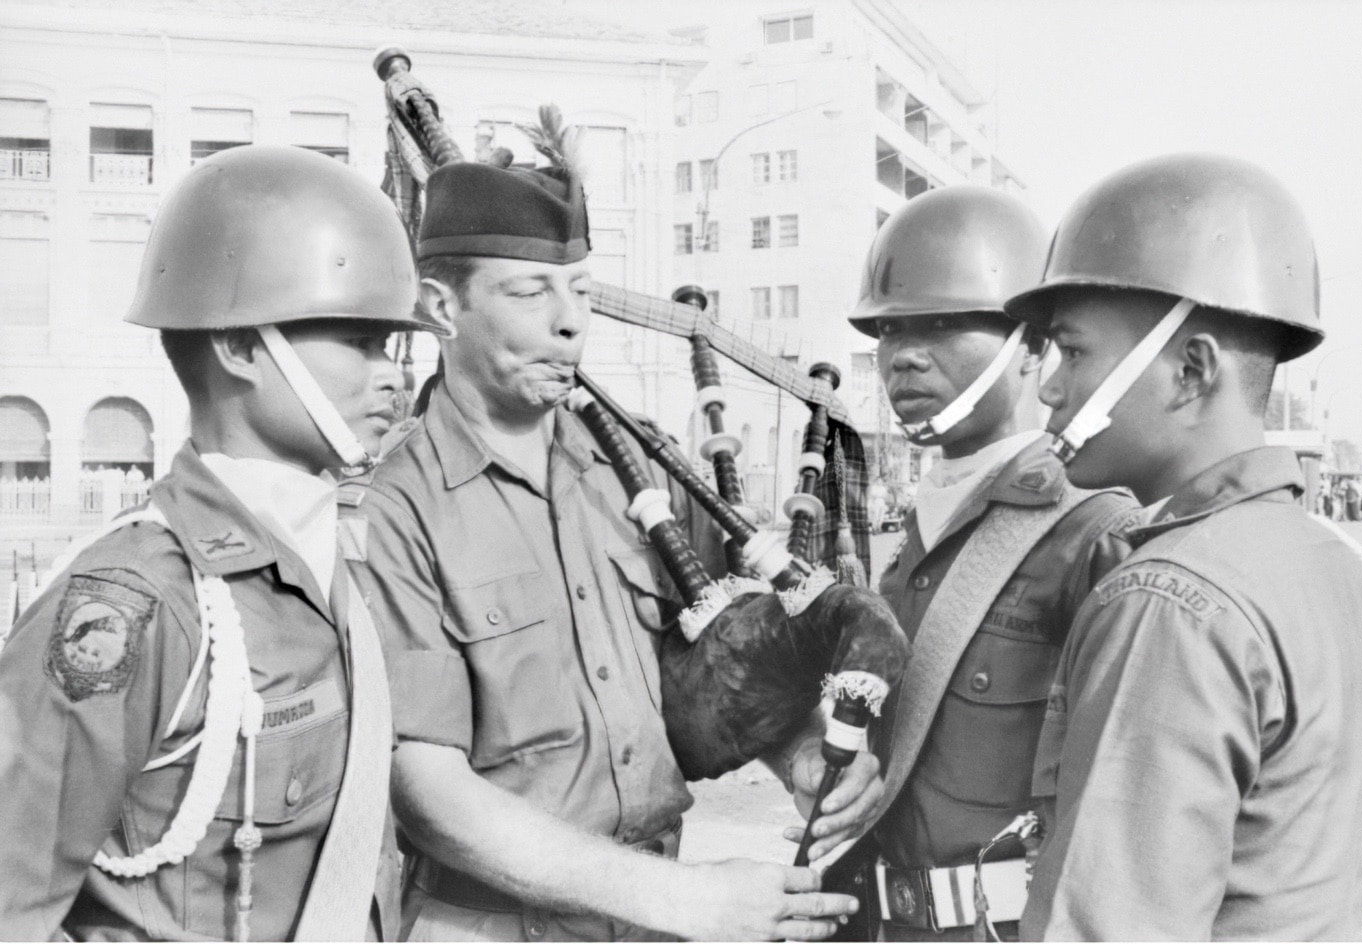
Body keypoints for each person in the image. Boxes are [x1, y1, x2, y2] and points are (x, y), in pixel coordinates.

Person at [346, 154, 862, 941]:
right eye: (530, 291)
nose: (570, 321)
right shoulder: (393, 510)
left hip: (652, 917)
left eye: (582, 291)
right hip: (490, 923)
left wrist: (793, 752)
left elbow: (719, 658)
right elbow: (429, 792)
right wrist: (681, 900)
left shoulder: (634, 466)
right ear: (441, 307)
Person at [0, 145, 449, 939]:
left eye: (391, 347)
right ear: (241, 347)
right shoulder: (135, 606)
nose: (392, 376)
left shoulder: (332, 561)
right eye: (359, 342)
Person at [1003, 152, 1362, 939]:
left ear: (1191, 370)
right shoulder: (1343, 570)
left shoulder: (1167, 600)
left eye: (1073, 352)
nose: (1048, 387)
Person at [814, 186, 1139, 940]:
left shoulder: (1093, 531)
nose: (904, 356)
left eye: (941, 325)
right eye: (890, 329)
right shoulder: (910, 534)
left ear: (1032, 348)